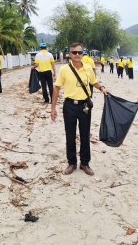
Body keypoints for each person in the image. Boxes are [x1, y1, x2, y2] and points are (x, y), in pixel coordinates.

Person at [51, 42, 108, 176]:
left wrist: (102, 88)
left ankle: (84, 163)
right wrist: (53, 108)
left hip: (85, 106)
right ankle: (72, 163)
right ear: (69, 54)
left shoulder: (88, 68)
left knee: (85, 135)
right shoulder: (64, 69)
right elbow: (57, 88)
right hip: (69, 106)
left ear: (83, 54)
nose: (77, 55)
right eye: (74, 52)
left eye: (80, 52)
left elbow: (94, 82)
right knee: (70, 135)